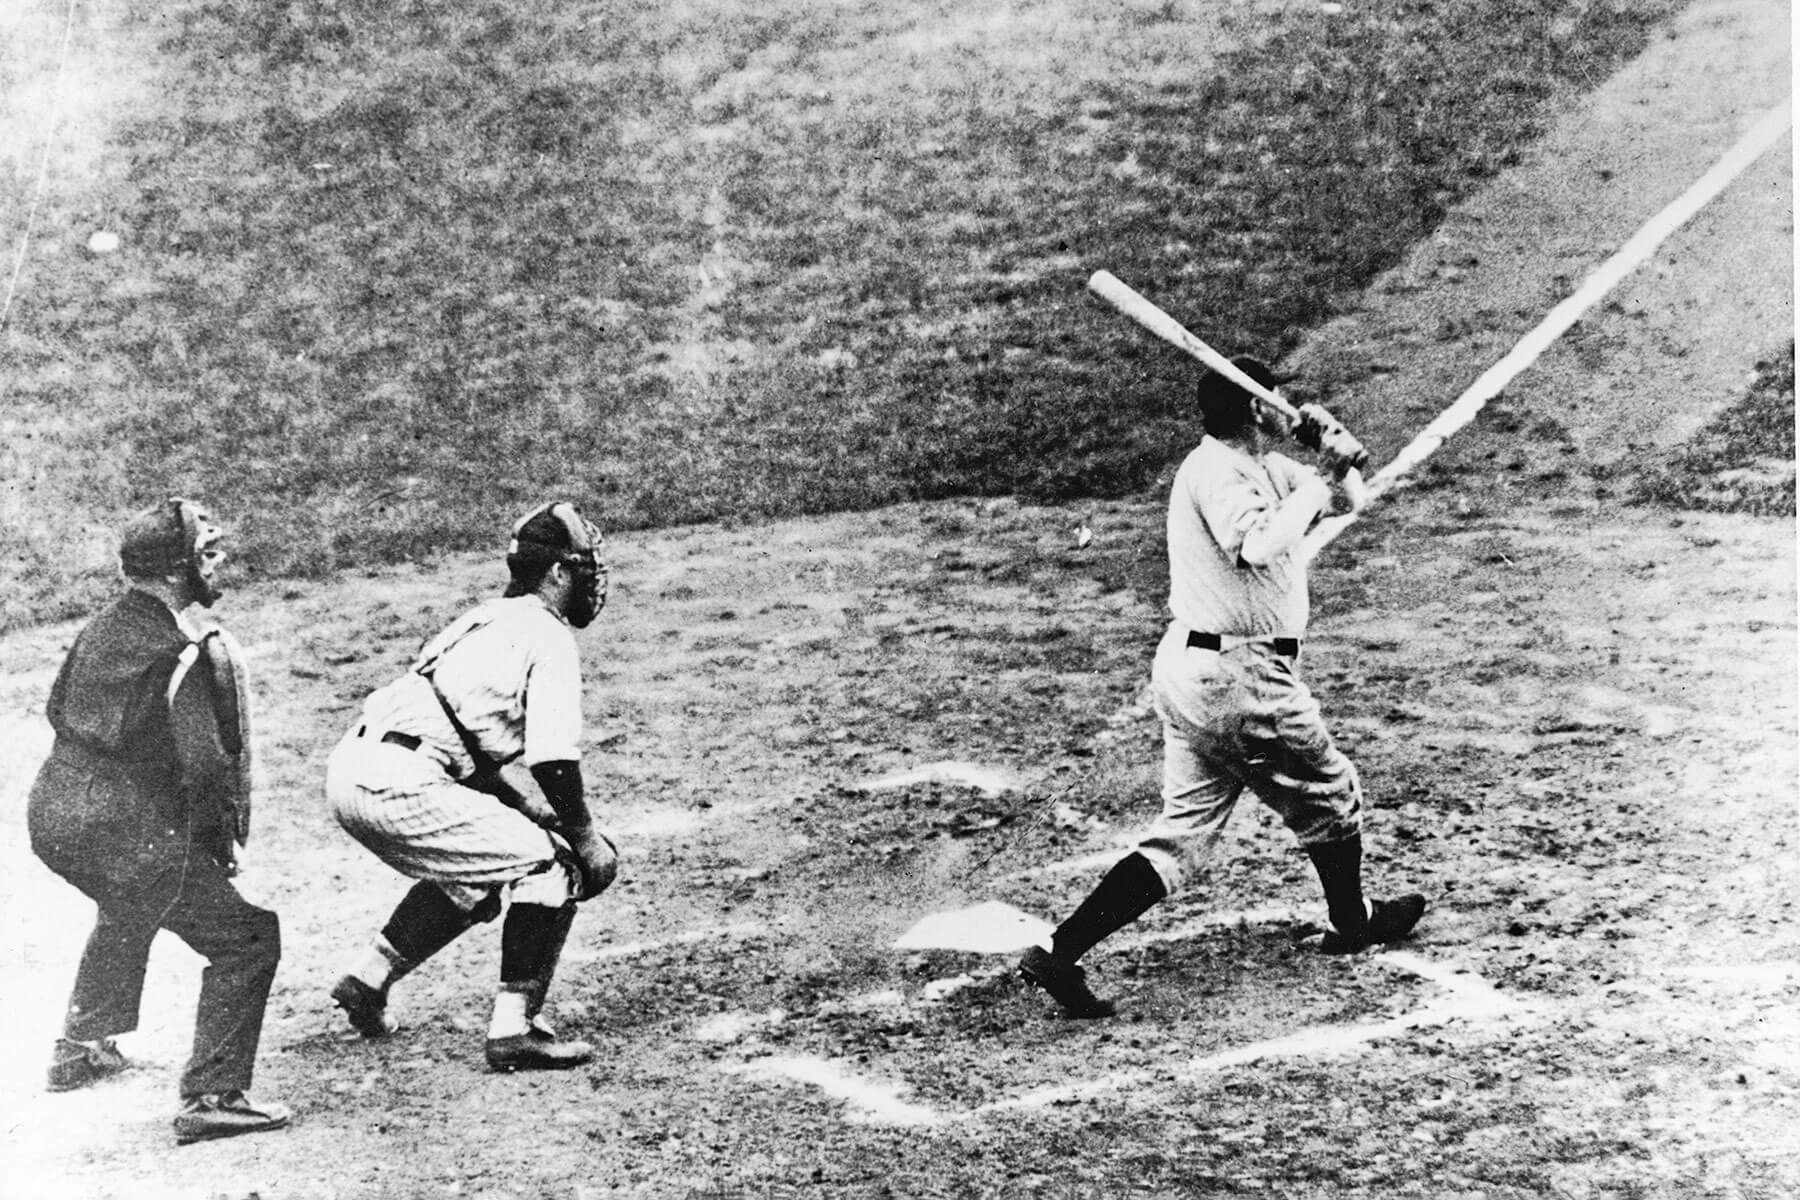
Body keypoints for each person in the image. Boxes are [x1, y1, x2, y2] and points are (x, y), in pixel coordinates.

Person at [1019, 358, 1427, 1018]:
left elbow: (1347, 501)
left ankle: (1059, 952)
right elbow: (1260, 545)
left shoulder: (1269, 467)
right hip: (1238, 676)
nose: (1285, 404)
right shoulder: (1214, 472)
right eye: (1276, 398)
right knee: (1332, 789)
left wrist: (1333, 456)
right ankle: (1353, 922)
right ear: (1257, 408)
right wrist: (1322, 475)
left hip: (1202, 674)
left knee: (1181, 835)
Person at [28, 498, 290, 1144]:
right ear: (177, 570)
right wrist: (218, 846)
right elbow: (205, 770)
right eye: (208, 553)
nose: (218, 563)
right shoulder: (178, 651)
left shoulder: (103, 626)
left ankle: (81, 1046)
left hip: (53, 811)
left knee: (131, 895)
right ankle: (213, 1095)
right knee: (247, 938)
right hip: (119, 827)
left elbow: (58, 709)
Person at [324, 501, 619, 1071]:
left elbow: (467, 745)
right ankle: (514, 1029)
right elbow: (554, 759)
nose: (592, 580)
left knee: (480, 866)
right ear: (558, 572)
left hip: (353, 772)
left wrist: (527, 808)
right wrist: (583, 838)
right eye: (584, 568)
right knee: (551, 865)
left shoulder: (480, 620)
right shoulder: (548, 636)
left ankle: (367, 979)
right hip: (401, 784)